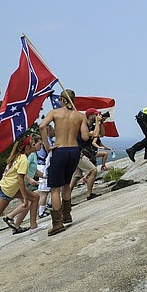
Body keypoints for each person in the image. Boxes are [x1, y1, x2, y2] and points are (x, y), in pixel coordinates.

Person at [39, 89, 100, 235]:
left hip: (59, 150)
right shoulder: (80, 116)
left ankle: (57, 223)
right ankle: (67, 214)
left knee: (55, 188)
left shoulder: (55, 113)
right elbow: (85, 137)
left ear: (61, 99)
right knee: (66, 183)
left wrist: (47, 147)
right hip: (74, 151)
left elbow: (42, 126)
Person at [0, 137, 46, 255]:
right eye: (32, 144)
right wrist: (25, 198)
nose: (34, 145)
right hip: (6, 189)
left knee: (35, 198)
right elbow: (20, 180)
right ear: (27, 147)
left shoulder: (18, 157)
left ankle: (33, 226)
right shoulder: (24, 160)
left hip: (10, 187)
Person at [6, 136, 45, 231]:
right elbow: (22, 170)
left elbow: (34, 170)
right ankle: (11, 217)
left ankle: (17, 226)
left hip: (22, 182)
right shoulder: (30, 155)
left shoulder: (34, 155)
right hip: (22, 182)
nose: (40, 146)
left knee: (27, 203)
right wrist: (29, 179)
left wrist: (46, 176)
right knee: (32, 200)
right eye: (39, 143)